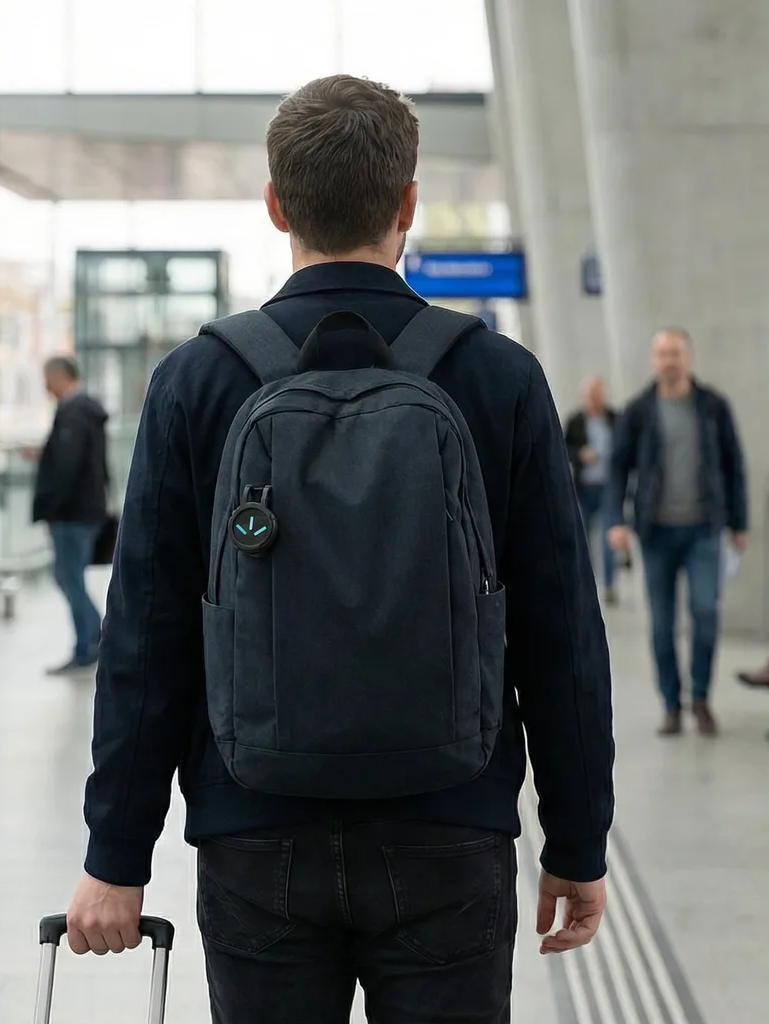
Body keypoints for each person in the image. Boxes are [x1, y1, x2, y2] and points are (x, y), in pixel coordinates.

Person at [66, 75, 613, 1024]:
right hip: (451, 821)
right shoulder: (499, 379)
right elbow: (560, 630)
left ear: (276, 205)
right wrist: (577, 838)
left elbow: (145, 639)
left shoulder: (197, 381)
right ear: (408, 205)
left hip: (255, 830)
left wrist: (117, 856)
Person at [607, 328, 747, 737]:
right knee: (662, 624)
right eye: (662, 353)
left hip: (705, 528)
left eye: (676, 353)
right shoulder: (638, 411)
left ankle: (700, 698)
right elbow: (618, 469)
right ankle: (671, 704)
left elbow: (733, 465)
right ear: (654, 359)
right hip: (656, 533)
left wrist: (739, 523)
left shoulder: (713, 407)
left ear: (689, 357)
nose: (669, 360)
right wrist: (616, 519)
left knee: (705, 613)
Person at [30, 355, 109, 675]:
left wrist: (51, 508)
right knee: (68, 577)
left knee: (69, 577)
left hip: (71, 514)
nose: (46, 387)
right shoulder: (87, 411)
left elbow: (67, 467)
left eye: (48, 380)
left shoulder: (74, 413)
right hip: (86, 509)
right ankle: (96, 639)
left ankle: (90, 644)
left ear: (61, 377)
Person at [564, 376, 618, 603]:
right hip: (583, 487)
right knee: (583, 539)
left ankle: (609, 585)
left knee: (609, 538)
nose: (594, 397)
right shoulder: (576, 421)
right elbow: (563, 447)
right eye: (590, 393)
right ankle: (587, 584)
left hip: (608, 487)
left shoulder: (615, 419)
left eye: (597, 392)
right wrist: (580, 455)